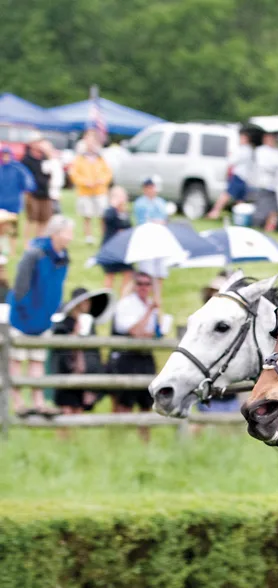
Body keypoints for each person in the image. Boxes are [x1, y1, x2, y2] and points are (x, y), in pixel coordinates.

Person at [6, 215, 73, 415]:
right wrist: (25, 311)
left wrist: (52, 313)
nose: (70, 237)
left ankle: (38, 402)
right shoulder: (34, 254)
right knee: (16, 360)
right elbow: (20, 286)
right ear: (56, 233)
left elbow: (57, 288)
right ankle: (17, 403)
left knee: (37, 362)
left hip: (44, 320)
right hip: (22, 318)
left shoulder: (63, 258)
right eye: (68, 233)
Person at [108, 271, 162, 438]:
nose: (143, 287)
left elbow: (150, 332)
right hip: (128, 358)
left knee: (146, 403)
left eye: (147, 284)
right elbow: (134, 330)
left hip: (145, 357)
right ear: (134, 285)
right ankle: (117, 441)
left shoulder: (151, 305)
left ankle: (144, 443)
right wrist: (149, 312)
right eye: (140, 283)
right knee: (124, 405)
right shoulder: (126, 304)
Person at [49, 286, 110, 414]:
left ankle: (75, 435)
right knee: (65, 410)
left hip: (83, 375)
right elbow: (59, 351)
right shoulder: (63, 323)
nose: (87, 305)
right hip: (65, 374)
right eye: (85, 302)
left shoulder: (89, 323)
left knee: (79, 411)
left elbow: (94, 353)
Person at [68, 130, 112, 244]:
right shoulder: (80, 158)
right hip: (85, 191)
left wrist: (101, 180)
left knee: (102, 215)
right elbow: (74, 174)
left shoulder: (101, 158)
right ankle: (89, 236)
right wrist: (84, 181)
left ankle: (104, 235)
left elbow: (107, 173)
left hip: (99, 190)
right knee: (87, 214)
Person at [132, 179, 170, 304]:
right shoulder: (140, 204)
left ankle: (157, 296)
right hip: (146, 240)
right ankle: (146, 296)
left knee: (160, 271)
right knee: (147, 271)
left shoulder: (160, 202)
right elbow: (143, 221)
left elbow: (164, 218)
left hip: (160, 239)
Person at [208, 130, 253, 219]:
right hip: (240, 177)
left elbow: (232, 161)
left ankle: (217, 212)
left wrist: (230, 155)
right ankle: (216, 212)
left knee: (232, 196)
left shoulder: (243, 150)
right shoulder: (247, 150)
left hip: (240, 176)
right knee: (234, 196)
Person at [100, 186, 133, 296]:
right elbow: (108, 219)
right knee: (110, 274)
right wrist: (113, 206)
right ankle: (107, 297)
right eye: (118, 196)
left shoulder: (125, 212)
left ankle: (124, 296)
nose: (121, 199)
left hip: (123, 248)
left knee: (129, 273)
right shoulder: (110, 211)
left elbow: (128, 227)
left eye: (123, 196)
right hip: (111, 247)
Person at [251, 132, 278, 233]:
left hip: (274, 186)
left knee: (273, 209)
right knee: (262, 209)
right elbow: (263, 166)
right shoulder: (260, 151)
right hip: (263, 184)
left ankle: (270, 227)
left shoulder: (277, 153)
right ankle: (260, 226)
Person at [0, 145, 34, 248]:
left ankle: (12, 249)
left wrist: (29, 187)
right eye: (3, 155)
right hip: (1, 202)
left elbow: (28, 182)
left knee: (13, 228)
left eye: (7, 155)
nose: (5, 157)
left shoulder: (17, 168)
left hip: (13, 203)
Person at [20, 138, 53, 241]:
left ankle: (39, 240)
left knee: (43, 219)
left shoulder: (45, 158)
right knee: (31, 219)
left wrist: (49, 154)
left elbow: (52, 171)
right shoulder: (26, 159)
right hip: (32, 193)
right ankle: (27, 242)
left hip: (45, 192)